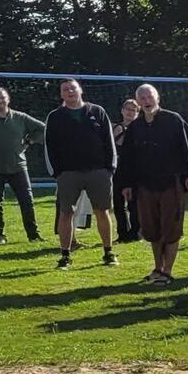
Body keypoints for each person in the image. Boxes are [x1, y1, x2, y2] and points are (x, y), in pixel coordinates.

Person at [117, 83, 188, 285]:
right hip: (145, 185)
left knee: (171, 228)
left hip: (171, 183)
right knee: (151, 229)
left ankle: (167, 271)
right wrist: (126, 184)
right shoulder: (135, 128)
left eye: (149, 97)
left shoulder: (174, 120)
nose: (146, 101)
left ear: (158, 98)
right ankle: (157, 268)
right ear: (138, 103)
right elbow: (128, 158)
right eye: (142, 98)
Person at [44, 78, 118, 269]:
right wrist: (57, 173)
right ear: (61, 94)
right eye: (65, 89)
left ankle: (108, 252)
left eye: (73, 88)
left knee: (102, 212)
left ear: (80, 90)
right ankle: (65, 255)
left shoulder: (97, 111)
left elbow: (109, 141)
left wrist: (109, 169)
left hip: (98, 172)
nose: (70, 92)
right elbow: (49, 147)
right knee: (66, 213)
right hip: (68, 174)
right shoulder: (55, 116)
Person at [0, 87, 44, 244]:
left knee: (27, 201)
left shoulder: (20, 117)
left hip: (18, 166)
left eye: (2, 97)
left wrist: (29, 141)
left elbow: (43, 128)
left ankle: (33, 235)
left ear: (8, 99)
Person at [110, 99, 140, 242]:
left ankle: (135, 233)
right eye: (127, 109)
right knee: (118, 203)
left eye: (133, 110)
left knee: (134, 203)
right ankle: (122, 234)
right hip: (117, 170)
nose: (130, 112)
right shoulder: (113, 127)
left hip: (134, 170)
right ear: (122, 111)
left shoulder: (140, 129)